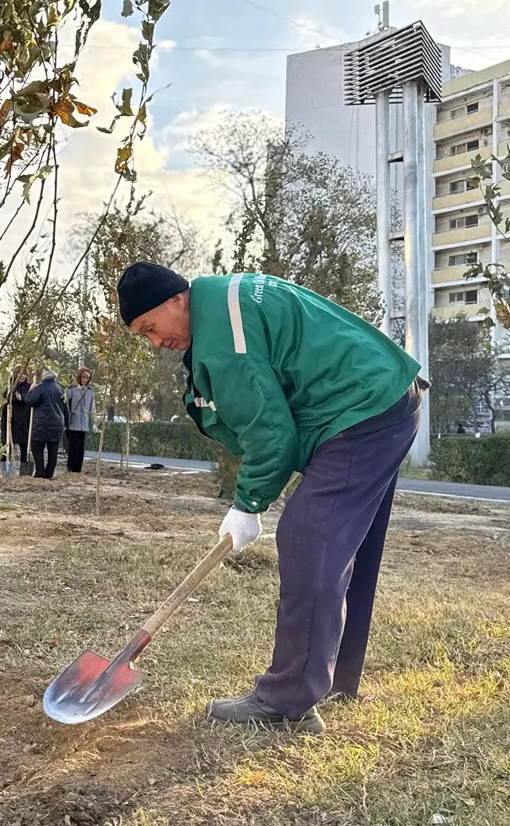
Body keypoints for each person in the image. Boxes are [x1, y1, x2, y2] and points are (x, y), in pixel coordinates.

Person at [117, 262, 427, 735]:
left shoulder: (223, 336)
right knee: (343, 545)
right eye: (144, 337)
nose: (155, 342)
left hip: (361, 409)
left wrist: (248, 504)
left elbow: (271, 432)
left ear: (176, 300)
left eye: (150, 328)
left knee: (309, 537)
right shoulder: (224, 302)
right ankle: (338, 677)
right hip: (381, 395)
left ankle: (287, 700)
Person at [26, 369, 66, 479]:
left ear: (44, 376)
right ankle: (49, 474)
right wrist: (66, 423)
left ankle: (41, 473)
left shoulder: (40, 388)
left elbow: (30, 401)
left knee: (37, 448)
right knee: (53, 451)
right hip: (57, 424)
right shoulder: (60, 389)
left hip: (41, 424)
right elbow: (65, 408)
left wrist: (31, 390)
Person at [0, 367, 32, 475]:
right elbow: (4, 398)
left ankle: (24, 472)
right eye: (20, 374)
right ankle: (5, 471)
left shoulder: (29, 387)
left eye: (24, 374)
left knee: (24, 446)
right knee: (6, 447)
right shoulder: (9, 386)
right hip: (10, 420)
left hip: (24, 421)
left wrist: (22, 398)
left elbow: (31, 400)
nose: (22, 376)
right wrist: (12, 396)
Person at [65, 367, 96, 473]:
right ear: (79, 377)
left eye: (87, 378)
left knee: (81, 448)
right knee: (74, 447)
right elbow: (65, 402)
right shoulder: (72, 389)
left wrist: (94, 422)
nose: (85, 380)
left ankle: (78, 469)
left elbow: (92, 408)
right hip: (73, 422)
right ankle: (70, 467)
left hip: (84, 423)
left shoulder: (90, 391)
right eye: (83, 377)